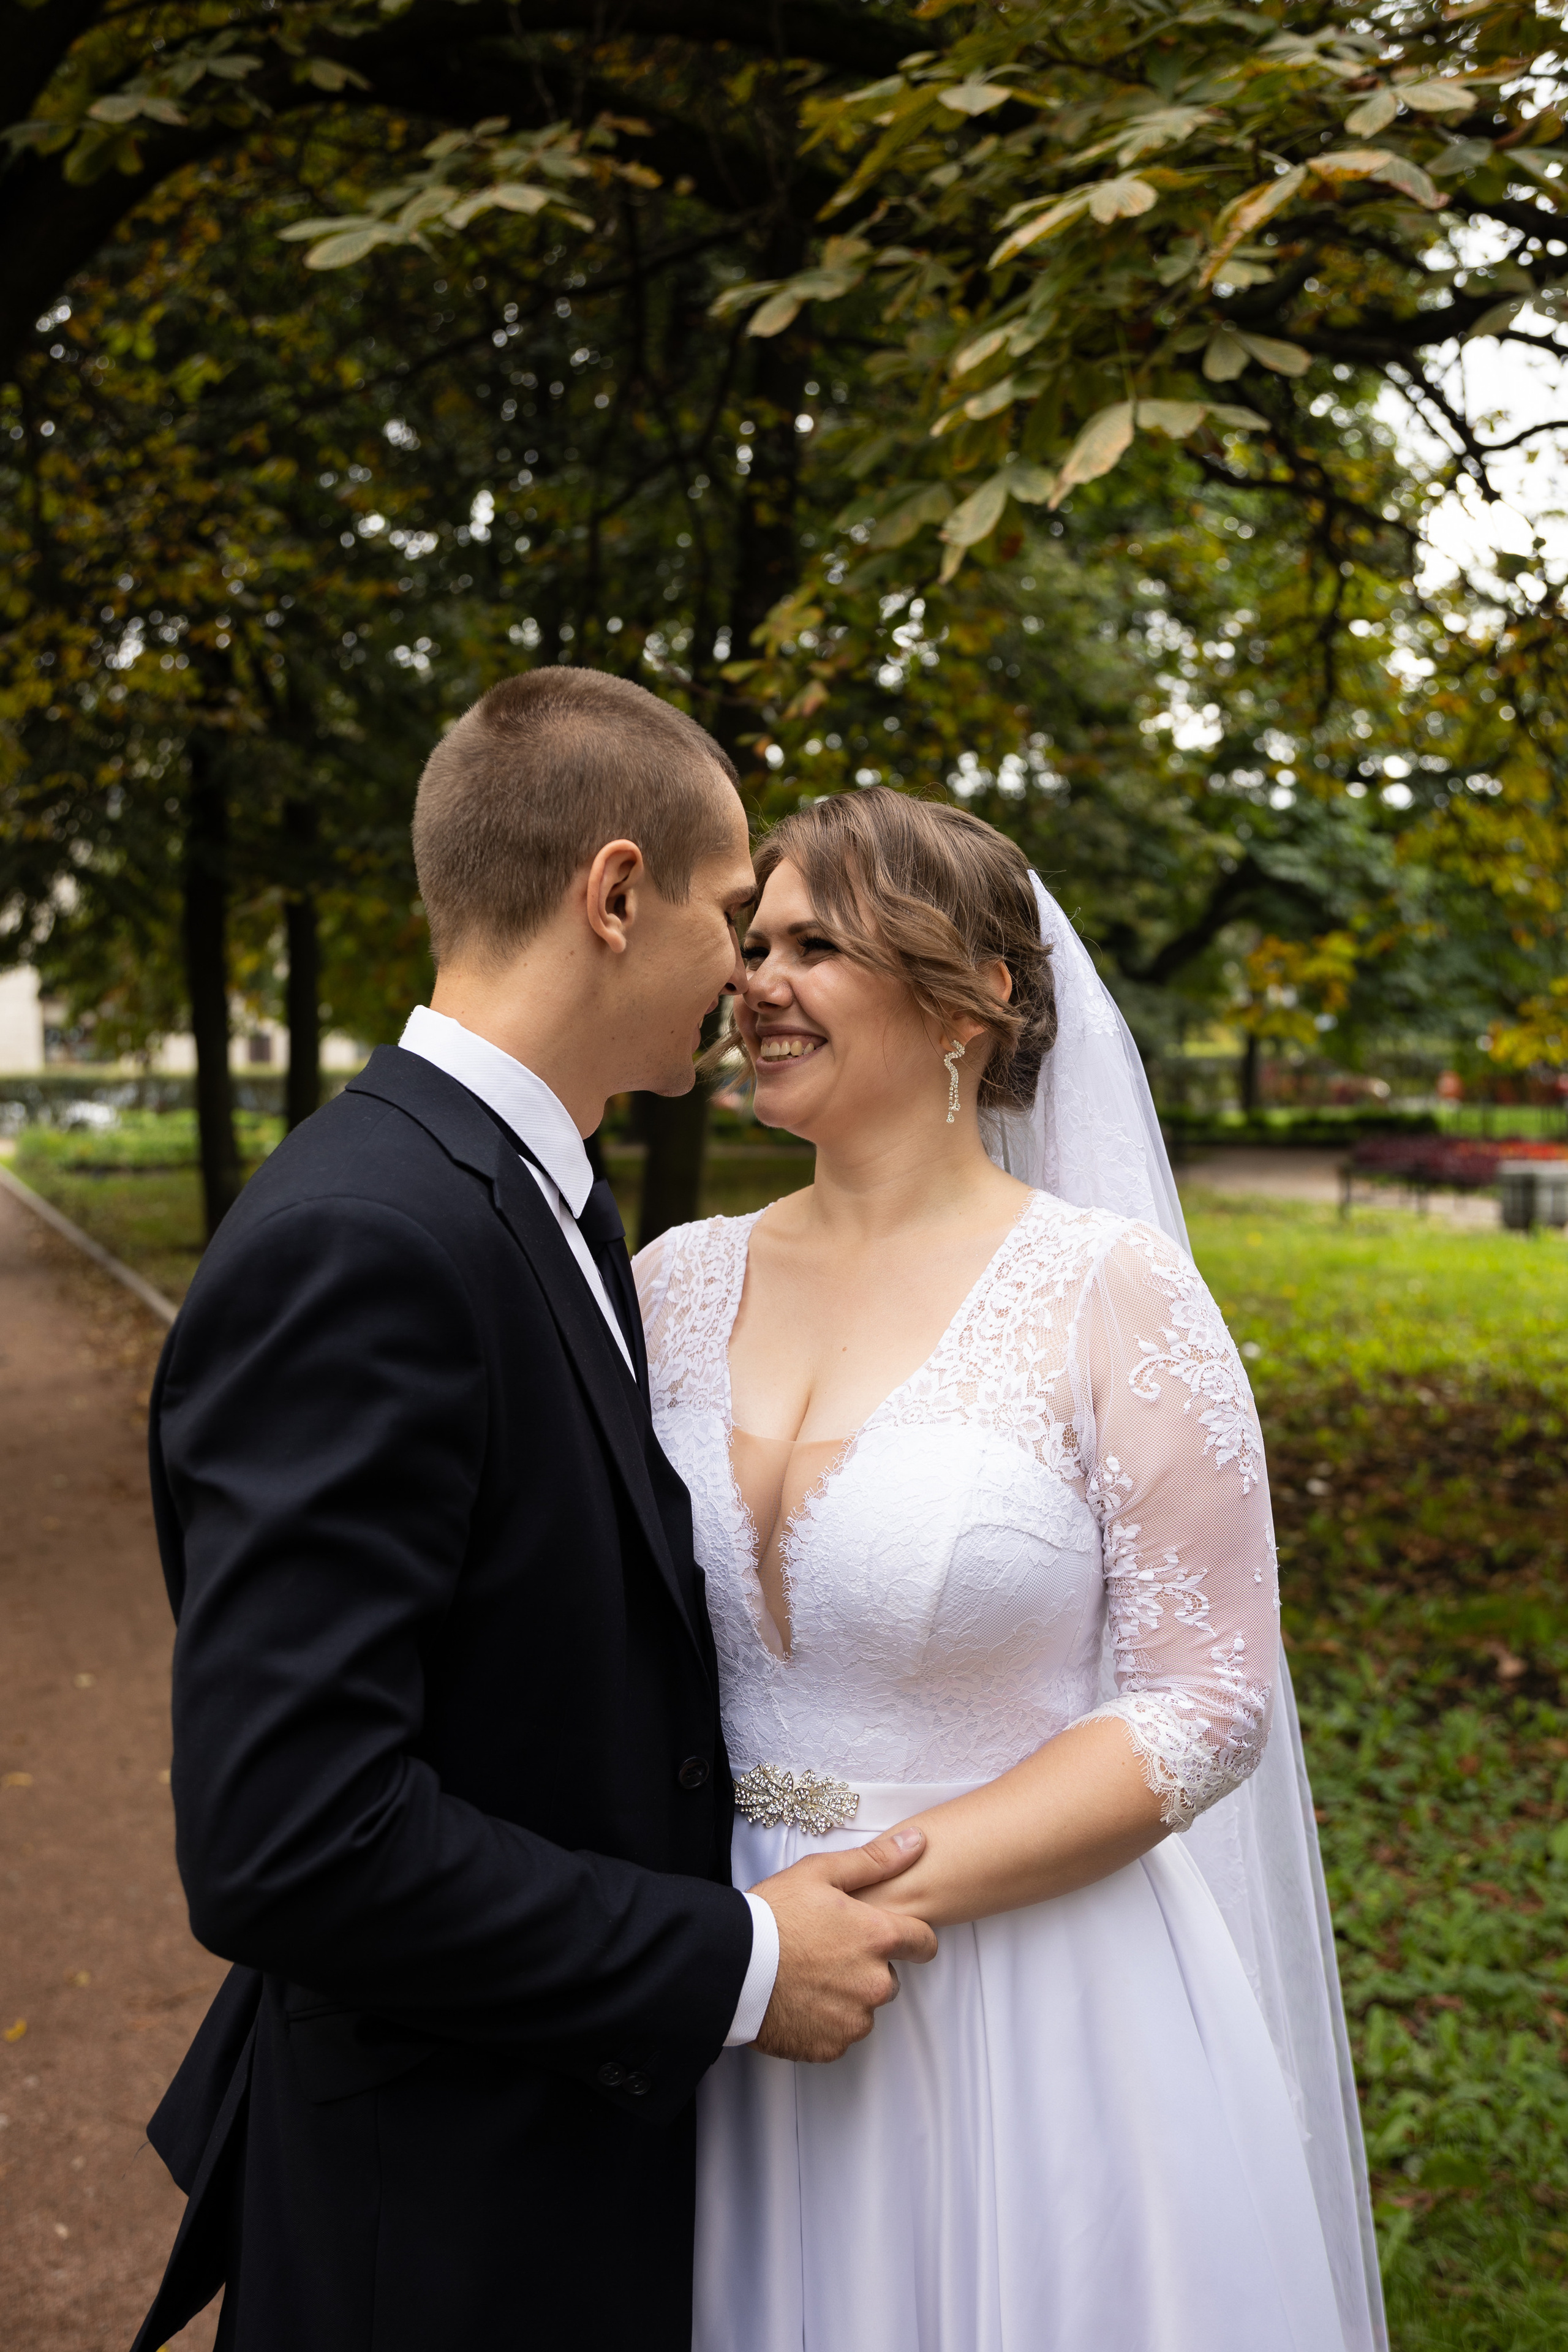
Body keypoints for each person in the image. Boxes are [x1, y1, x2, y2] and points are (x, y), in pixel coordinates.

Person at [129, 673, 936, 2352]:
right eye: (732, 914)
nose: (746, 971)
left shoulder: (525, 1195)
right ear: (618, 892)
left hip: (554, 2159)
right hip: (435, 2223)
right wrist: (730, 1961)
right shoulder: (367, 1239)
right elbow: (294, 1840)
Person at [635, 787, 1388, 2352]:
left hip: (1022, 1995)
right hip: (715, 1977)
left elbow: (1205, 1704)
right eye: (752, 940)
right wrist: (747, 1947)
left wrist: (858, 1910)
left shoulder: (1111, 1294)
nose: (754, 981)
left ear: (975, 996)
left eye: (815, 943)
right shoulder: (669, 1283)